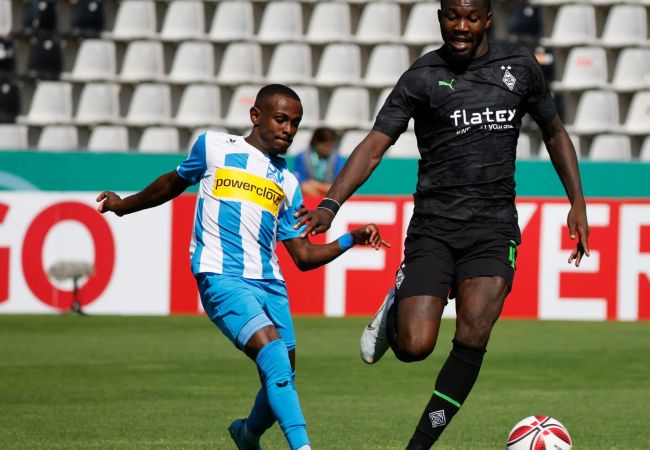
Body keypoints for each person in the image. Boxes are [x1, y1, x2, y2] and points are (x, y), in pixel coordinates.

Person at [295, 1, 589, 449]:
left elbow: (553, 131)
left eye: (472, 17)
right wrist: (331, 204)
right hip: (434, 225)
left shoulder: (520, 68)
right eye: (453, 17)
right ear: (440, 18)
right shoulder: (422, 76)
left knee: (473, 333)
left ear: (488, 19)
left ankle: (417, 447)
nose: (462, 27)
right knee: (415, 346)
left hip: (493, 228)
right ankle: (398, 303)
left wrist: (577, 202)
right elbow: (374, 145)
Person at [96, 84, 390, 450]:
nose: (288, 129)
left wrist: (352, 238)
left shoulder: (288, 182)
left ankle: (246, 435)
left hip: (270, 285)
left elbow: (303, 257)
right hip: (221, 275)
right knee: (273, 356)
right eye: (281, 119)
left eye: (295, 124)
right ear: (256, 116)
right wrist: (125, 205)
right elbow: (172, 183)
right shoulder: (213, 147)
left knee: (283, 375)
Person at [292, 127, 344, 198]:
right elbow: (301, 182)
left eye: (330, 146)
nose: (328, 149)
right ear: (316, 142)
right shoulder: (302, 156)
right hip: (309, 191)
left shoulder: (337, 158)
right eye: (325, 145)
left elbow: (339, 185)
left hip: (330, 192)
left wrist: (317, 185)